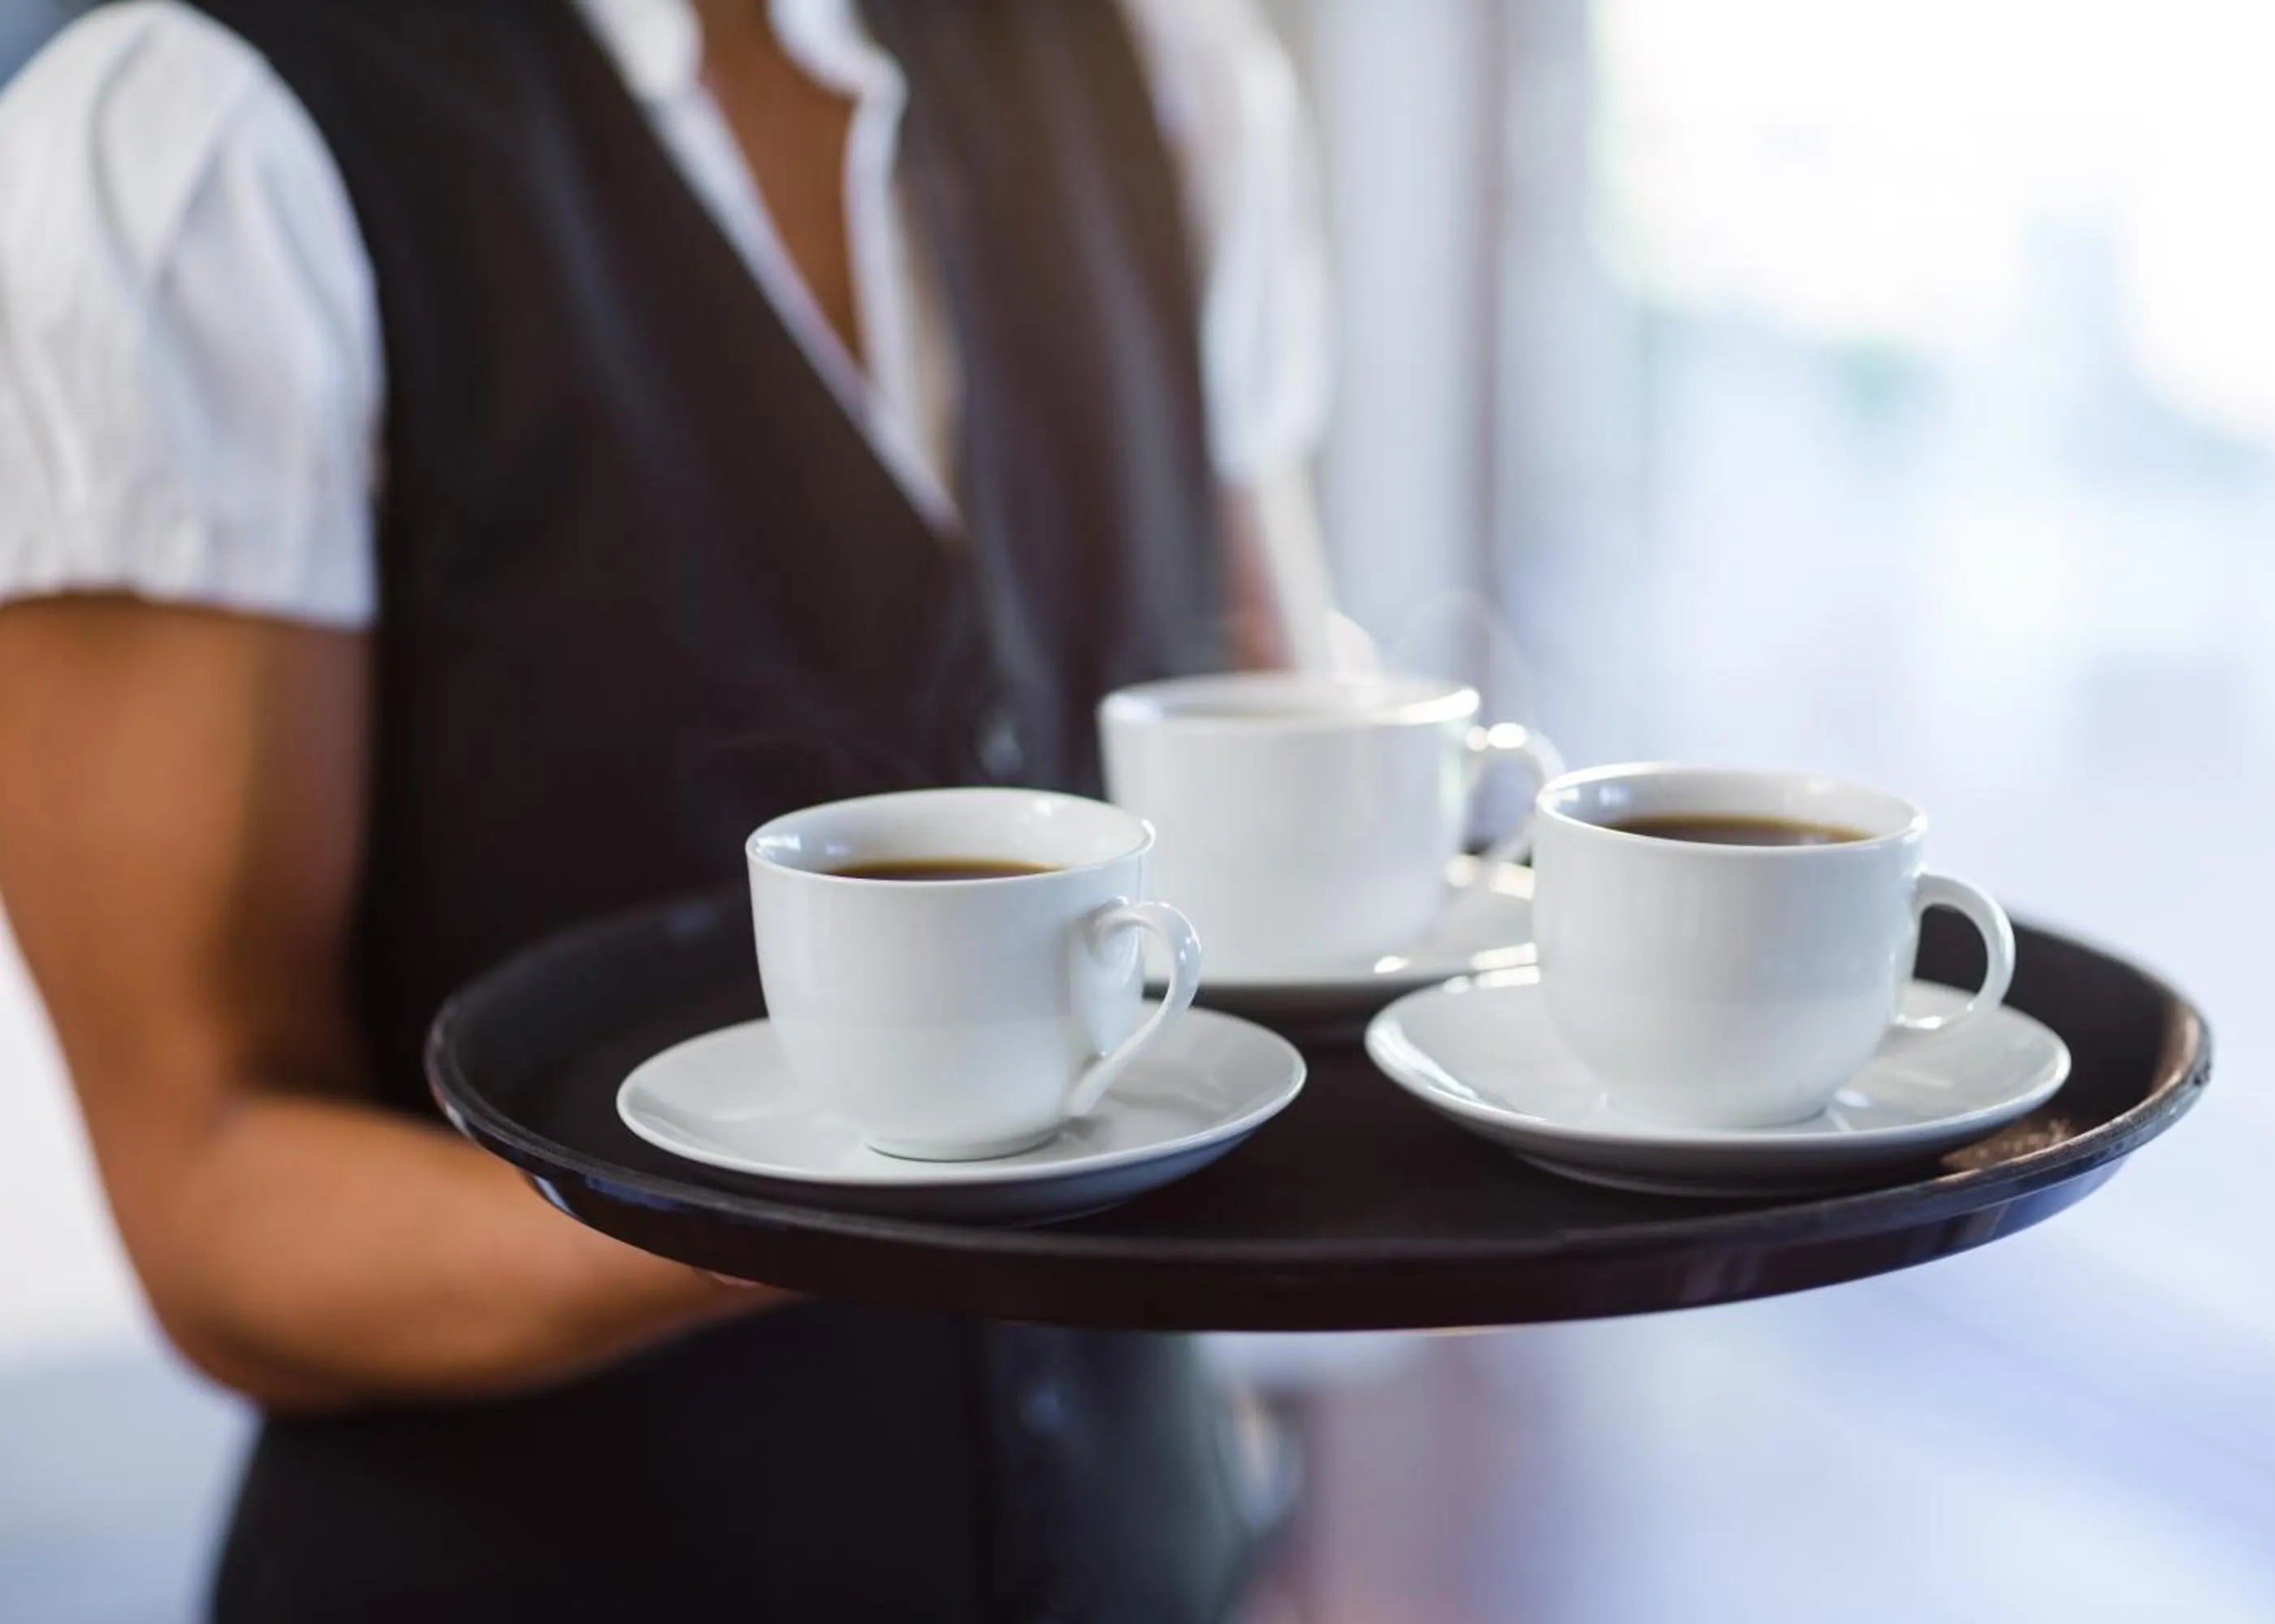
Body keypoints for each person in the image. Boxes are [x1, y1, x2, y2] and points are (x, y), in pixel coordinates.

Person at [0, 1, 1334, 1617]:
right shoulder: (200, 146)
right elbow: (205, 1188)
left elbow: (1278, 803)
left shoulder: (1159, 71)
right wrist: (799, 1198)